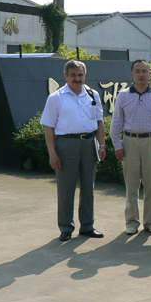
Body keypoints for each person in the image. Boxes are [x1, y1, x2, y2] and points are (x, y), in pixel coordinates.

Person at [41, 60, 106, 242]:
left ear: (85, 76)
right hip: (66, 144)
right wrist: (52, 153)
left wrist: (102, 145)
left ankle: (87, 226)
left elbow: (100, 122)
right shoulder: (56, 97)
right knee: (66, 188)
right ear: (66, 76)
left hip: (89, 144)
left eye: (80, 75)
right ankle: (66, 227)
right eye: (73, 75)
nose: (77, 79)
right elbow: (49, 127)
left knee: (88, 187)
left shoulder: (93, 94)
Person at [110, 59, 151, 236]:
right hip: (130, 142)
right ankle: (132, 222)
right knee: (131, 185)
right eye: (138, 71)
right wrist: (117, 145)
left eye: (145, 71)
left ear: (150, 73)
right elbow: (116, 123)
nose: (141, 74)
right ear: (132, 74)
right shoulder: (123, 95)